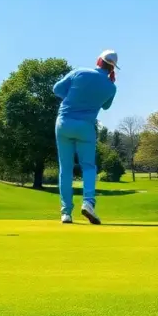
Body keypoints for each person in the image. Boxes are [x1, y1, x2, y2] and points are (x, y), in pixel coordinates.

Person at [53, 50, 119, 224]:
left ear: (99, 60)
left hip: (64, 123)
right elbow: (105, 106)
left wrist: (74, 96)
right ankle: (88, 203)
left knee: (65, 169)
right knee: (88, 167)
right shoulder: (111, 87)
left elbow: (57, 89)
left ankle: (66, 213)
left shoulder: (79, 72)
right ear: (113, 68)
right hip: (86, 127)